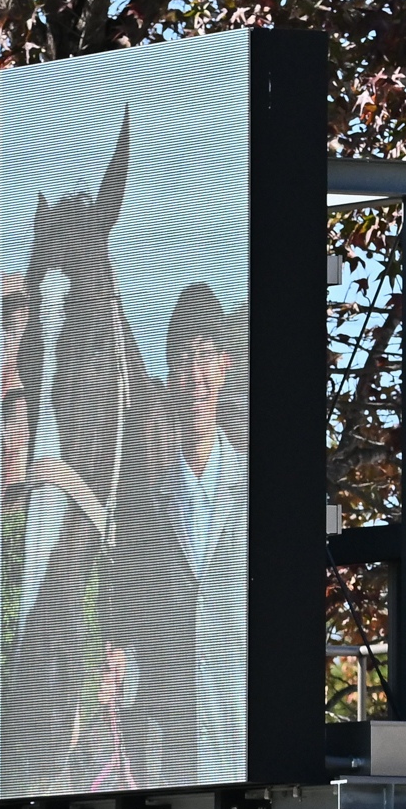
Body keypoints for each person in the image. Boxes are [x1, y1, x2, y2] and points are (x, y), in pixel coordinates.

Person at [163, 283, 247, 780]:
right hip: (166, 736)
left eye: (206, 355)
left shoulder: (252, 487)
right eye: (184, 357)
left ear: (224, 366)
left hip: (239, 726)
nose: (196, 372)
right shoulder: (148, 492)